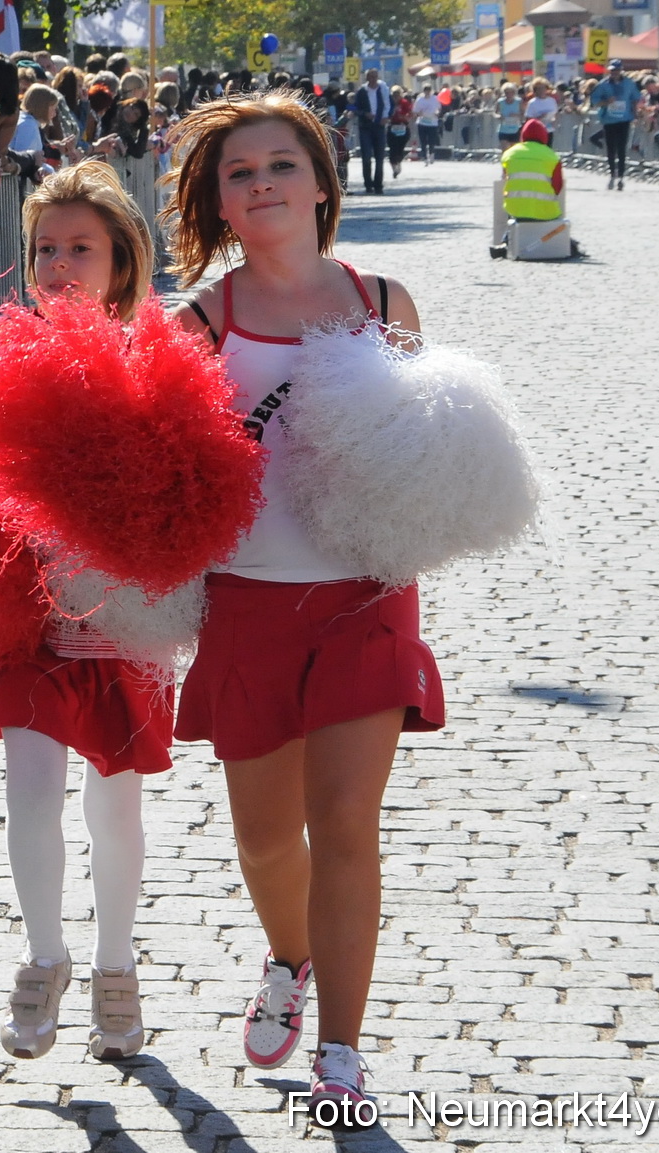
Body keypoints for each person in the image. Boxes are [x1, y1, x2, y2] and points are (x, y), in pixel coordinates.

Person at [162, 90, 443, 1126]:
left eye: (282, 164)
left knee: (345, 822)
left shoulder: (384, 300)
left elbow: (425, 459)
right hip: (245, 601)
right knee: (265, 838)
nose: (263, 183)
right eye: (239, 174)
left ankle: (342, 1051)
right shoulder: (199, 322)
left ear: (322, 184)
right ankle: (288, 956)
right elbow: (155, 474)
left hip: (366, 595)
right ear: (220, 205)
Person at [0, 160, 166, 1064]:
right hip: (30, 615)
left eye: (79, 248)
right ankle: (43, 959)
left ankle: (114, 966)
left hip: (123, 615)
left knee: (114, 804)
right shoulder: (0, 355)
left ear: (120, 262)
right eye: (44, 247)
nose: (58, 264)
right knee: (28, 793)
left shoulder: (156, 354)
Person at [500, 118, 563, 228]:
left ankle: (506, 241)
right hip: (546, 210)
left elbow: (505, 178)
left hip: (515, 209)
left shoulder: (509, 154)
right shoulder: (552, 156)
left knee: (512, 229)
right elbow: (557, 186)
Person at [590, 59, 639, 190]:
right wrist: (606, 102)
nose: (614, 73)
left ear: (621, 70)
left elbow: (635, 99)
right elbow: (595, 101)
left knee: (622, 148)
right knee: (611, 149)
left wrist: (635, 115)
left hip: (624, 120)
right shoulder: (603, 85)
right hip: (609, 121)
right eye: (612, 70)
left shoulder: (629, 84)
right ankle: (612, 175)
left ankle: (621, 177)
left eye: (617, 70)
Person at [351, 69, 390, 193]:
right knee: (366, 157)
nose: (373, 79)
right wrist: (364, 113)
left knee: (380, 157)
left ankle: (378, 185)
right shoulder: (362, 91)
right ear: (367, 78)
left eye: (375, 77)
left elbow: (390, 105)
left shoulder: (382, 90)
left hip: (379, 126)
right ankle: (368, 184)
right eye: (370, 77)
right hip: (365, 128)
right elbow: (354, 108)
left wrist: (386, 117)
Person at [412, 83, 443, 165]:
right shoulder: (420, 99)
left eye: (429, 90)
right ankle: (425, 157)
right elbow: (415, 111)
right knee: (423, 141)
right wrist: (419, 113)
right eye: (426, 90)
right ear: (423, 91)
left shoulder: (435, 99)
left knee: (431, 140)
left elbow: (439, 109)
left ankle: (432, 154)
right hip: (422, 122)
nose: (427, 92)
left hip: (432, 123)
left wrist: (437, 113)